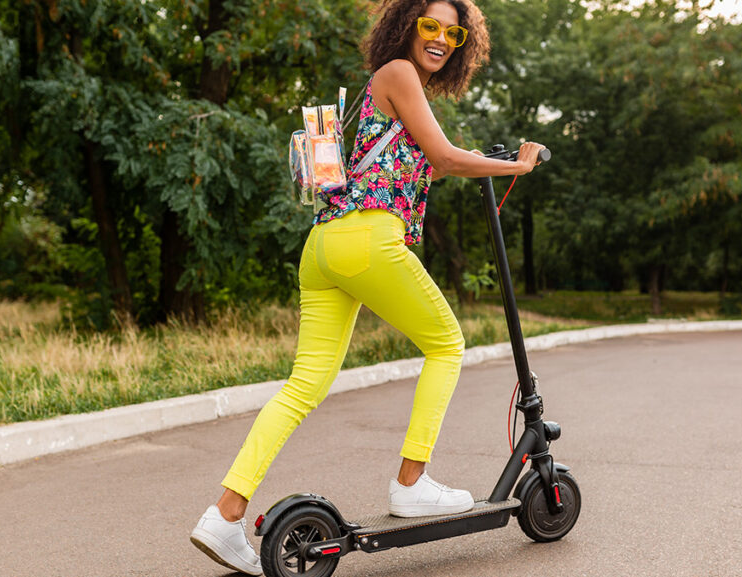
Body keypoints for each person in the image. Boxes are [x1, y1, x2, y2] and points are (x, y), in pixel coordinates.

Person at [190, 0, 545, 574]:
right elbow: (444, 158)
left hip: (325, 246)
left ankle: (224, 516)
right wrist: (518, 167)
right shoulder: (399, 73)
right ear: (406, 26)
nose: (440, 39)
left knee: (304, 385)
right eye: (430, 26)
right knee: (446, 345)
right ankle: (411, 483)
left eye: (453, 34)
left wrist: (479, 159)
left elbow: (432, 158)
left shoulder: (386, 86)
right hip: (367, 240)